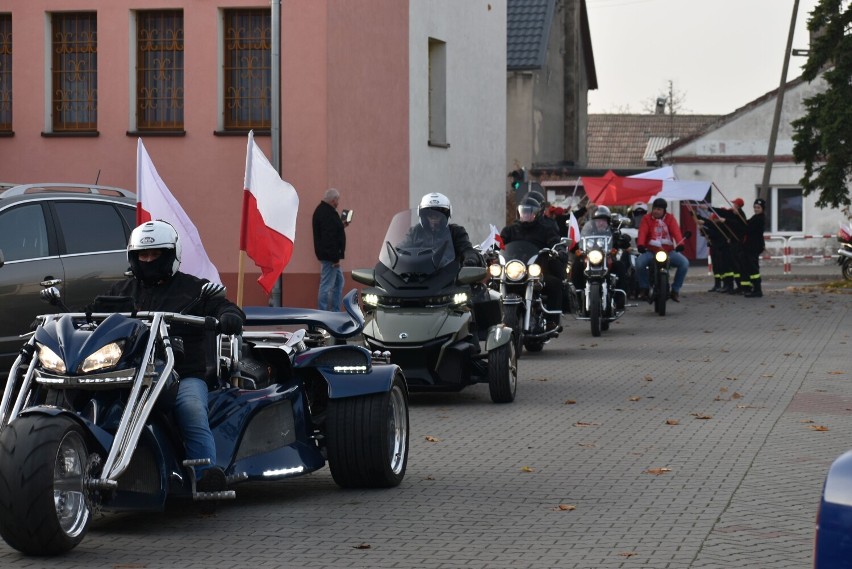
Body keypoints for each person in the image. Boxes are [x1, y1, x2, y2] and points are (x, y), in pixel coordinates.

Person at [107, 220, 245, 494]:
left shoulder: (195, 289)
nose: (147, 260)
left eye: (155, 255)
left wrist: (229, 316)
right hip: (130, 373)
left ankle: (206, 479)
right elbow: (92, 314)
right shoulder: (121, 292)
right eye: (142, 255)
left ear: (171, 255)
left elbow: (227, 307)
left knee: (191, 410)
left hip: (182, 375)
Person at [500, 196, 566, 329]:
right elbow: (499, 243)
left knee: (555, 283)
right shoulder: (510, 230)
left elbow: (555, 241)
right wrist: (491, 249)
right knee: (494, 284)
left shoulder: (545, 229)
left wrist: (558, 249)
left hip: (537, 271)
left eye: (529, 212)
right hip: (514, 270)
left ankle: (552, 320)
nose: (526, 214)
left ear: (536, 213)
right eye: (523, 211)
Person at [400, 192, 483, 267]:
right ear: (424, 217)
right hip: (419, 276)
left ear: (446, 216)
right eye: (430, 215)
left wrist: (471, 258)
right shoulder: (415, 232)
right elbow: (401, 249)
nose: (433, 219)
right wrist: (390, 258)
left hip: (449, 277)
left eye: (437, 215)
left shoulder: (456, 232)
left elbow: (467, 249)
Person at [571, 205, 631, 308]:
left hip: (608, 260)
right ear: (593, 222)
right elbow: (577, 243)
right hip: (590, 259)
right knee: (576, 266)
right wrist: (576, 245)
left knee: (620, 266)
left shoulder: (614, 232)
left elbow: (625, 242)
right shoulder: (587, 232)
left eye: (603, 220)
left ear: (608, 221)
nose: (601, 222)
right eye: (598, 220)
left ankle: (619, 298)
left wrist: (623, 239)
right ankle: (578, 296)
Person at [636, 197, 690, 302]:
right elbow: (642, 232)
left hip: (668, 252)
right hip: (651, 251)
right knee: (639, 263)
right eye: (654, 208)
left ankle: (675, 290)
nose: (656, 211)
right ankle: (644, 288)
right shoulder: (646, 219)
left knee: (684, 263)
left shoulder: (670, 219)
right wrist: (641, 245)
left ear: (664, 211)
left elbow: (676, 232)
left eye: (659, 209)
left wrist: (680, 244)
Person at [312, 188, 349, 311]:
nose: (338, 203)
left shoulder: (325, 211)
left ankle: (335, 311)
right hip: (330, 257)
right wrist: (335, 258)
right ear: (333, 200)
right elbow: (329, 238)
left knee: (338, 283)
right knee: (327, 286)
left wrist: (341, 225)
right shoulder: (327, 213)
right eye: (337, 200)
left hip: (330, 255)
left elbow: (333, 230)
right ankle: (323, 313)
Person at [742, 198, 767, 298]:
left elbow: (748, 229)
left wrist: (743, 225)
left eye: (758, 207)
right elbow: (747, 223)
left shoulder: (760, 218)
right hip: (751, 246)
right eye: (755, 207)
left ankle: (757, 290)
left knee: (754, 269)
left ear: (762, 209)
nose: (756, 209)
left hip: (754, 246)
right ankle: (755, 288)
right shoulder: (755, 217)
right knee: (751, 268)